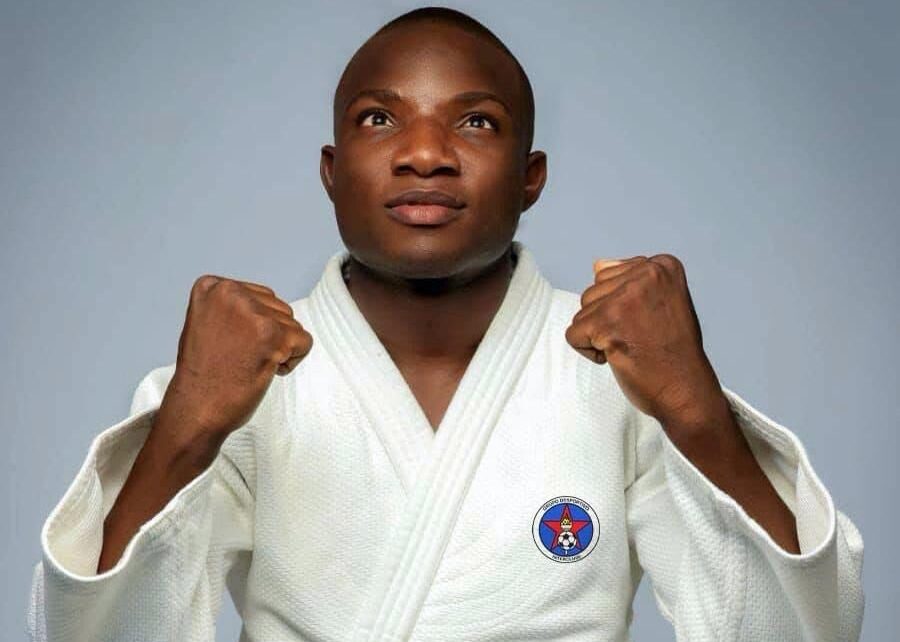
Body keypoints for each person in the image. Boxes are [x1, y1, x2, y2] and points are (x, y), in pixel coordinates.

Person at [27, 7, 864, 641]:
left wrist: (695, 410)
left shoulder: (627, 371)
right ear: (331, 172)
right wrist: (185, 427)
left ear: (531, 177)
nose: (424, 152)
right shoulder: (233, 378)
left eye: (475, 121)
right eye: (379, 118)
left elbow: (803, 632)